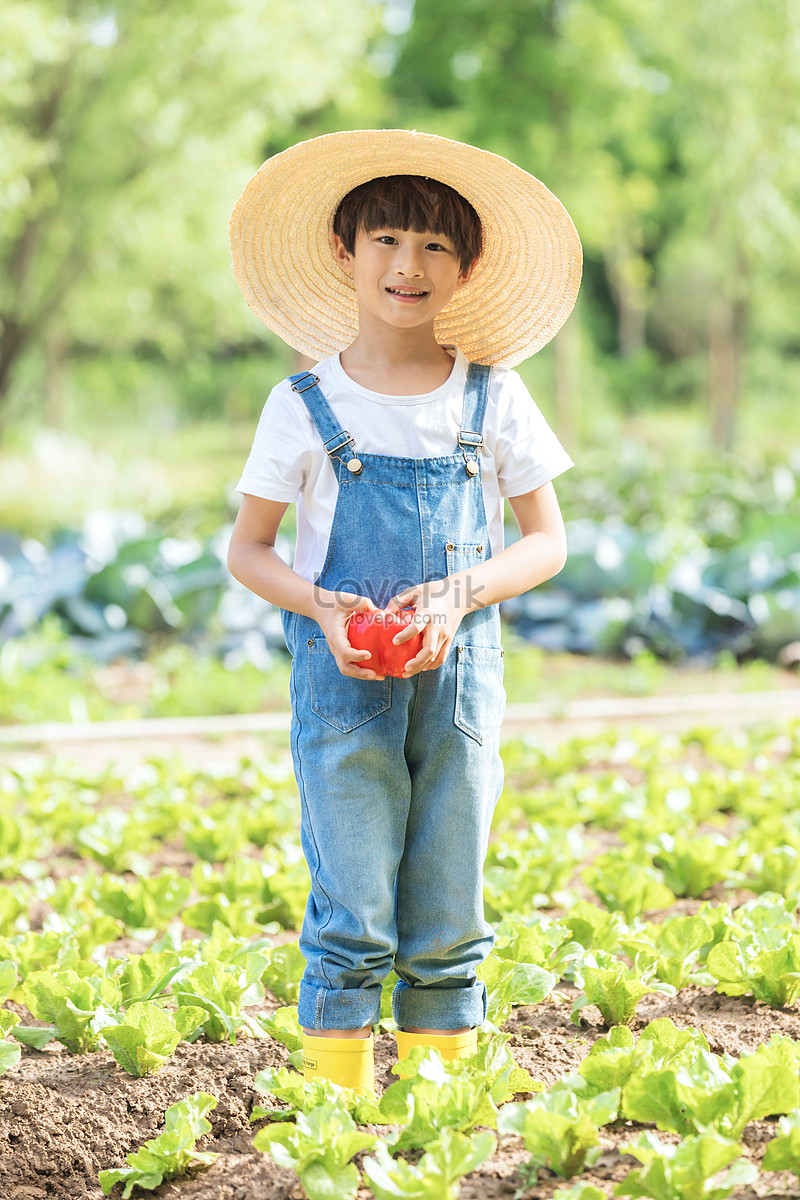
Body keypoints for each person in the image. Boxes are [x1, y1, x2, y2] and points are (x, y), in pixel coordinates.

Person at [227, 130, 581, 1093]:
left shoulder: (492, 398)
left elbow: (548, 541)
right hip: (342, 680)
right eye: (386, 239)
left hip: (459, 683)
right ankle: (336, 1118)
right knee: (354, 909)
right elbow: (247, 551)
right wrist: (323, 608)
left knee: (447, 904)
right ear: (346, 252)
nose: (407, 265)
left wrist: (465, 591)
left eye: (433, 247)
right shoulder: (302, 405)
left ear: (464, 269)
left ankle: (432, 1120)